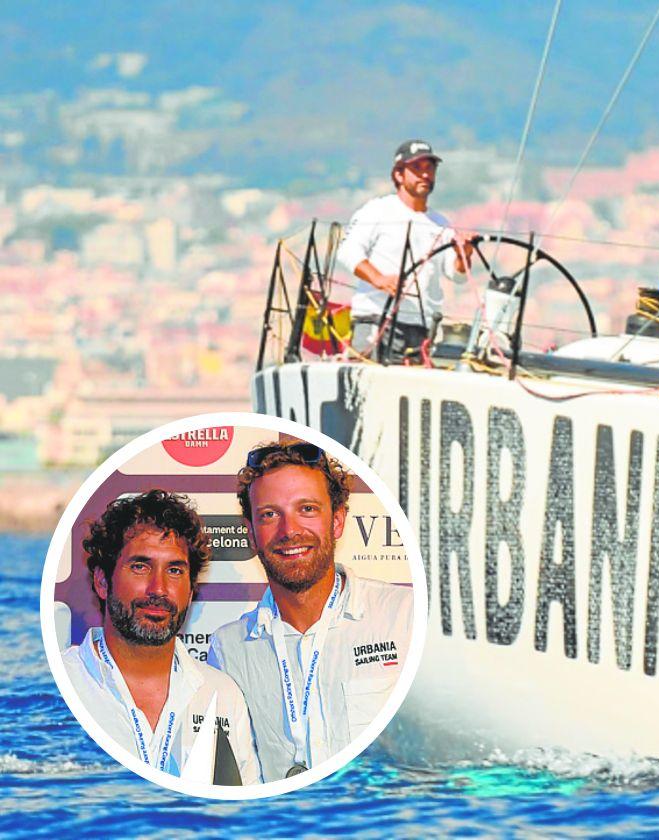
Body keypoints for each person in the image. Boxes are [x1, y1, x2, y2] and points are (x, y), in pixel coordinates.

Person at [209, 441, 415, 782]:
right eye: (270, 514)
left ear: (336, 522)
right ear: (251, 533)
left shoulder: (406, 618)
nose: (289, 531)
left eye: (306, 509)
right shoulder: (227, 650)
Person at [61, 490, 261, 785]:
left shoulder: (221, 694)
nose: (159, 588)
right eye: (140, 567)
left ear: (191, 591)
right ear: (103, 582)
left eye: (175, 570)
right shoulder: (64, 682)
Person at [339, 138, 474, 356]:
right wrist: (379, 279)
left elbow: (457, 275)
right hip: (377, 318)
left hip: (422, 327)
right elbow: (347, 252)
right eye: (417, 168)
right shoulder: (378, 210)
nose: (425, 174)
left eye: (429, 168)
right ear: (398, 175)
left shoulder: (441, 223)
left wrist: (463, 255)